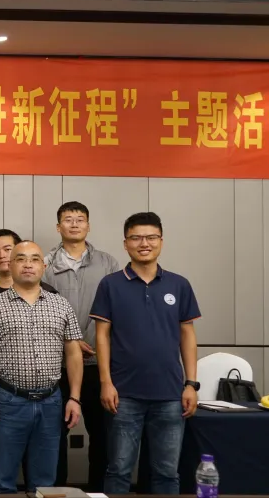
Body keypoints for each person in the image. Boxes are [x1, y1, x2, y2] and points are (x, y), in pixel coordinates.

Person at [93, 212, 200, 495]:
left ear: (161, 241)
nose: (144, 243)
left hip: (170, 394)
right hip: (123, 394)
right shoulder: (110, 284)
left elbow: (187, 335)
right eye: (136, 238)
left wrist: (191, 384)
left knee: (167, 472)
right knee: (118, 470)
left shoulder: (179, 284)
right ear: (125, 243)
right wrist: (106, 382)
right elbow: (101, 336)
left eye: (151, 237)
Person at [0, 241, 84, 495]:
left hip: (51, 402)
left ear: (43, 266)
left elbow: (73, 353)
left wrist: (75, 398)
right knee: (3, 480)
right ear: (11, 265)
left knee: (44, 483)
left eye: (34, 259)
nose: (28, 265)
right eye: (21, 259)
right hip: (7, 402)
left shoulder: (61, 304)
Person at [41, 201, 120, 490]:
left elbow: (117, 309)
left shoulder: (108, 263)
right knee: (54, 436)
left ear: (88, 225)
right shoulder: (45, 264)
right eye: (68, 219)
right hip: (57, 365)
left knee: (103, 436)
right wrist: (70, 342)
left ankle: (98, 491)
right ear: (58, 226)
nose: (74, 224)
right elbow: (39, 310)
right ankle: (57, 492)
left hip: (100, 364)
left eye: (80, 219)